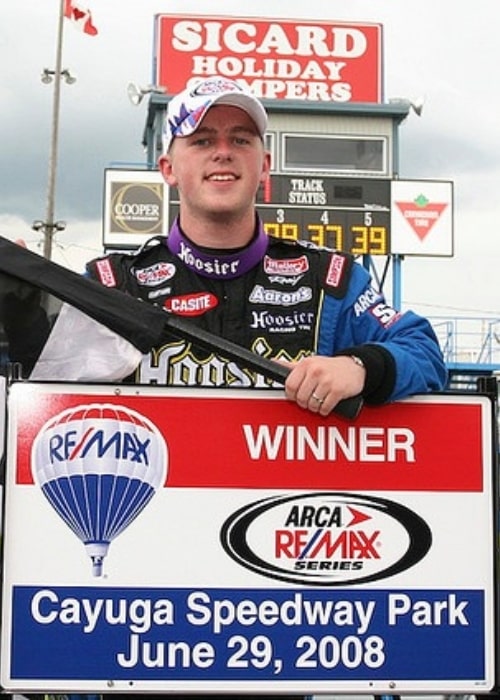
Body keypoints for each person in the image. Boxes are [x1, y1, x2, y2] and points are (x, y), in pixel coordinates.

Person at [0, 76, 447, 700]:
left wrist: (363, 368)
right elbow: (42, 381)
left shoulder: (330, 278)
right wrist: (15, 299)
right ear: (169, 167)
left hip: (295, 614)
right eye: (202, 138)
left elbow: (424, 349)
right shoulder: (109, 286)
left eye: (242, 139)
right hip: (140, 619)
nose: (223, 151)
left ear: (263, 167)